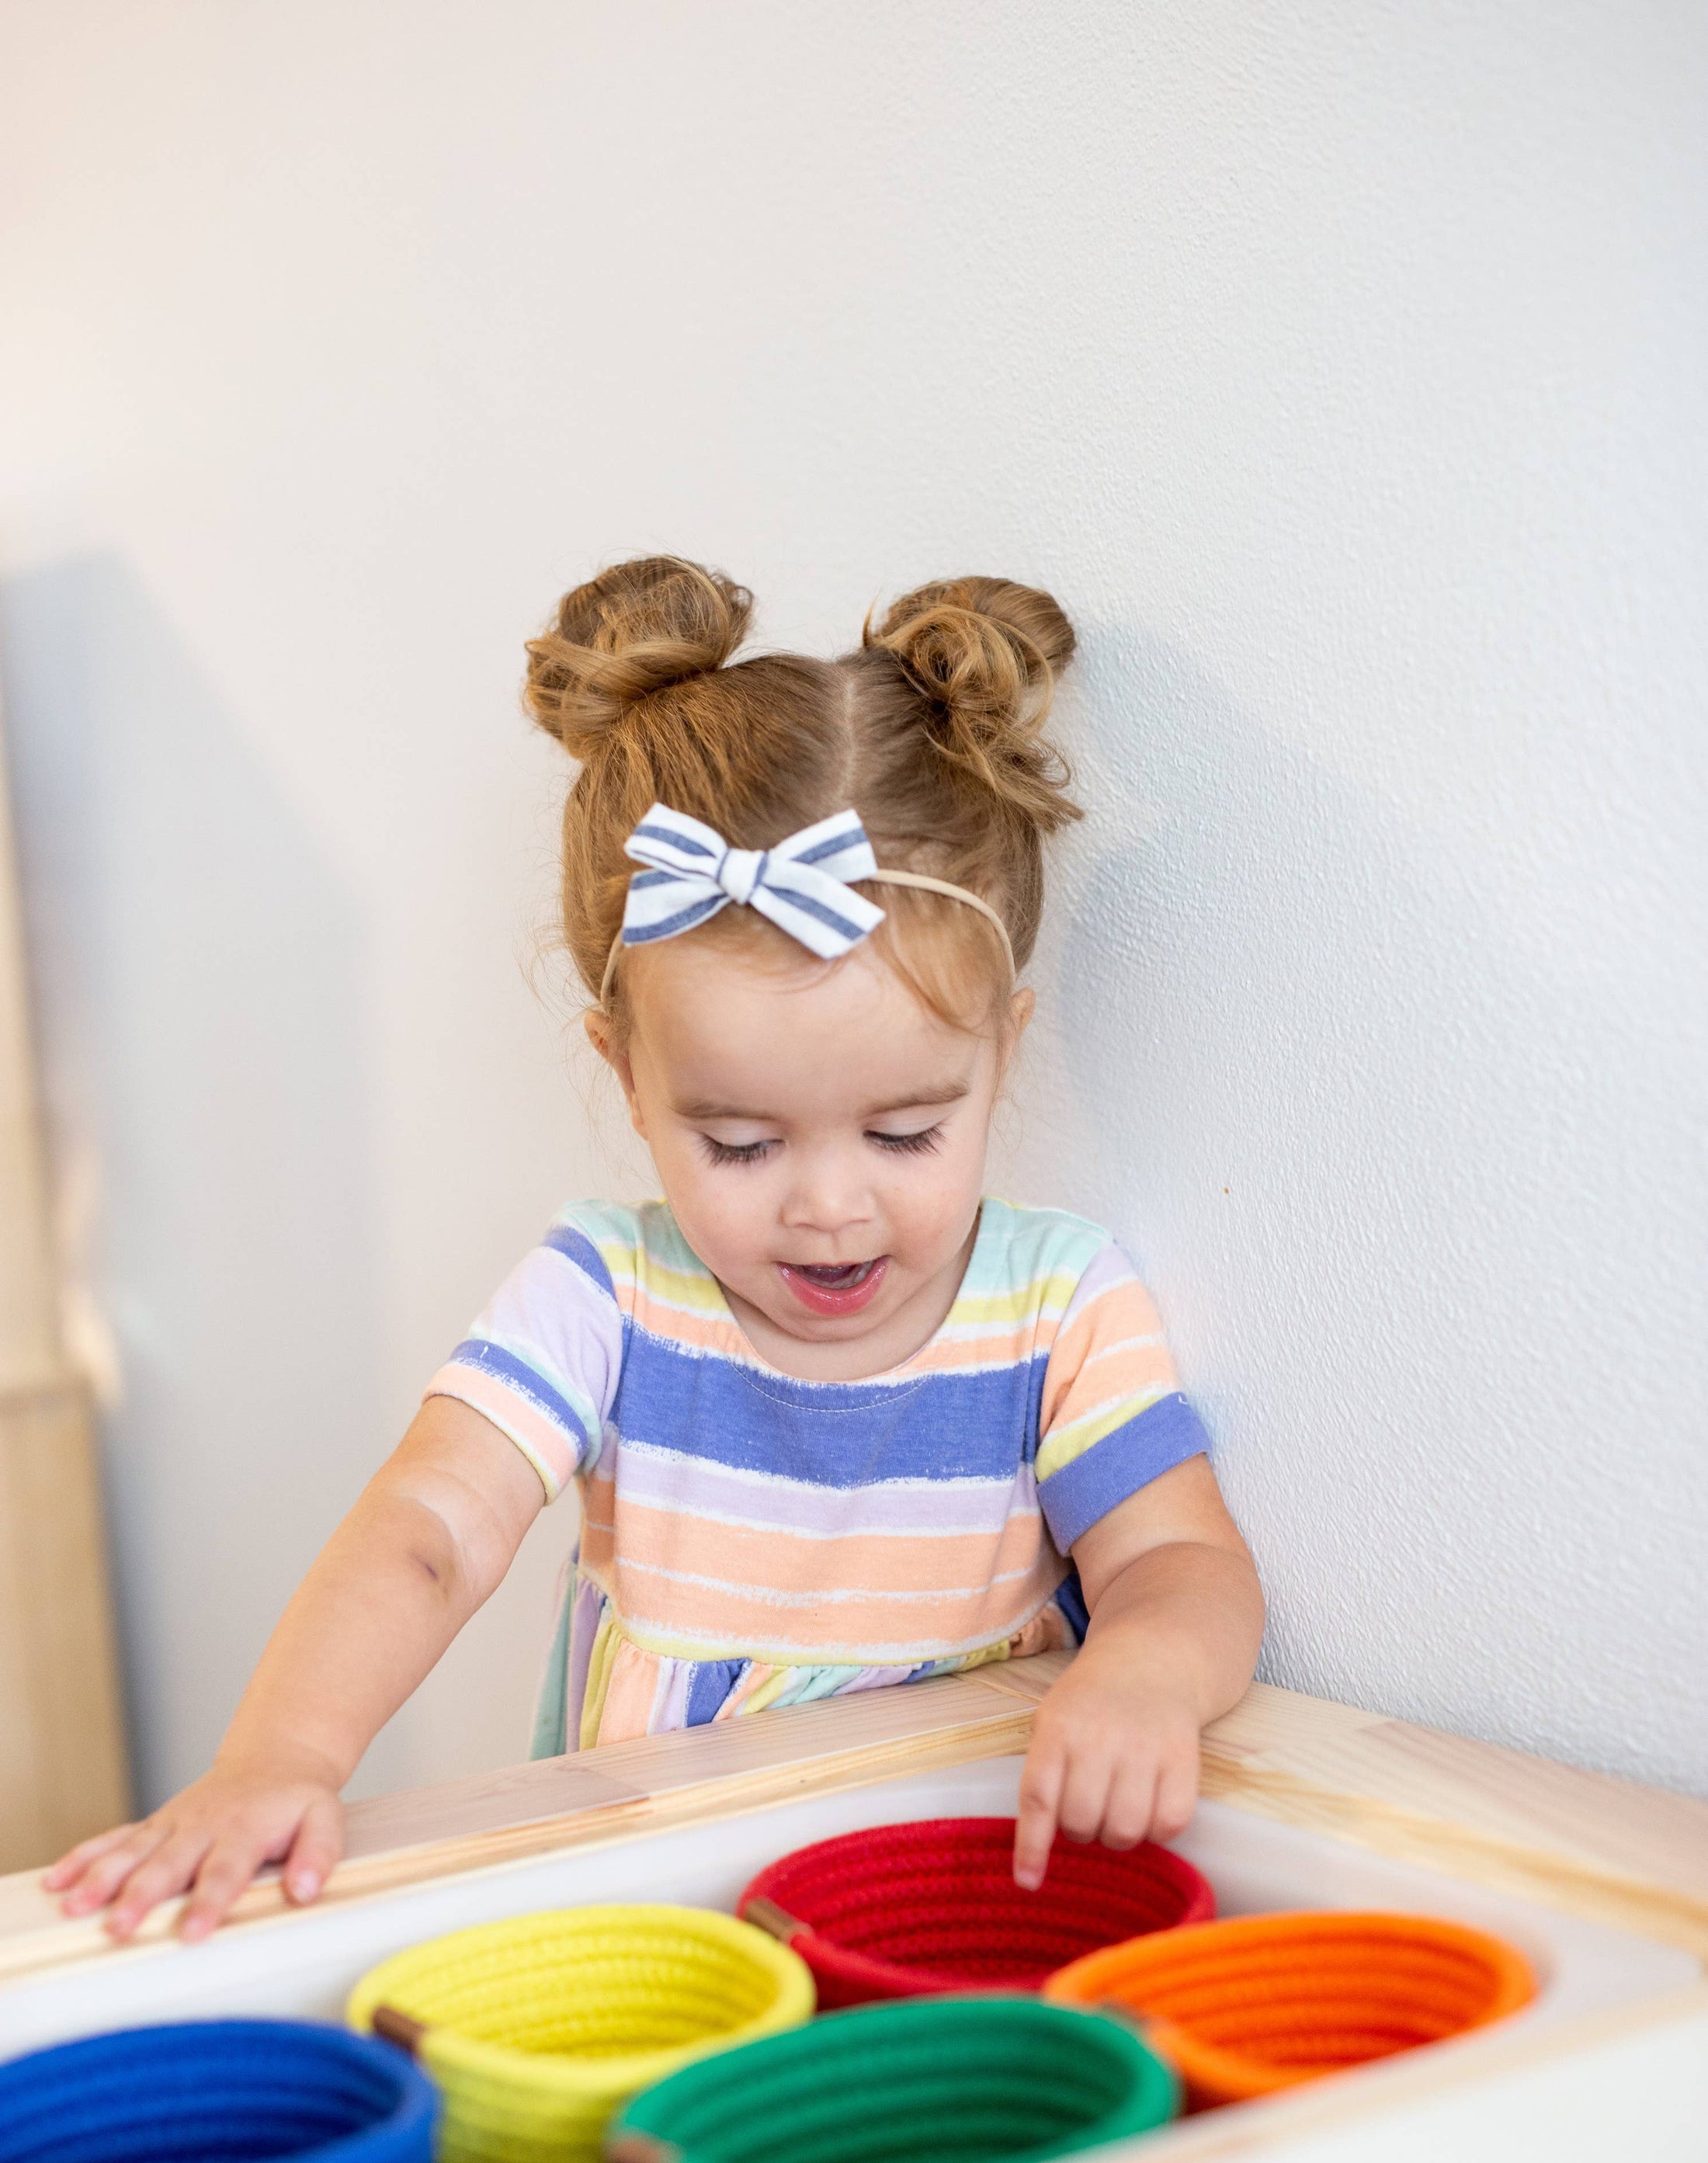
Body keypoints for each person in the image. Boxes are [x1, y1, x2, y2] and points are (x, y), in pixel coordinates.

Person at [47, 557, 1265, 1943]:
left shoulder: (1059, 1307)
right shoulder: (606, 1296)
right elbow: (430, 1533)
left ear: (1004, 1053)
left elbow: (1181, 1562)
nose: (827, 1208)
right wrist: (280, 1759)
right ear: (628, 1078)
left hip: (957, 1914)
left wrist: (1151, 1674)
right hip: (654, 1915)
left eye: (908, 1132)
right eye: (742, 1146)